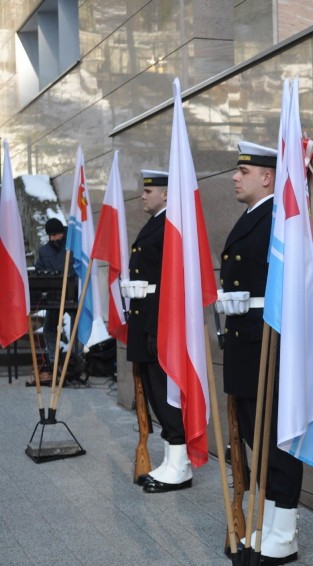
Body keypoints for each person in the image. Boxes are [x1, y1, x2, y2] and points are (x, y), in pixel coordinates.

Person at [217, 141, 301, 565]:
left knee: (276, 438)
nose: (235, 176)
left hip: (269, 342)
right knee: (255, 436)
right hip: (244, 342)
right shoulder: (251, 217)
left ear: (267, 177)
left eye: (243, 171)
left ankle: (284, 531)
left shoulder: (279, 217)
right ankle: (267, 522)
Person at [125, 170, 192, 494]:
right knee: (153, 393)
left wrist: (154, 328)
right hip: (144, 320)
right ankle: (171, 458)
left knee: (166, 395)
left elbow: (169, 282)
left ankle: (180, 463)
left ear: (166, 194)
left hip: (156, 322)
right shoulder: (154, 225)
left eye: (149, 190)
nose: (143, 195)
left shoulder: (169, 227)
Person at [32, 218, 68, 383]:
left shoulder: (71, 244)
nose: (54, 238)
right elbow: (39, 269)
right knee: (48, 328)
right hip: (54, 297)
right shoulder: (44, 251)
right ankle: (54, 362)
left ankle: (72, 361)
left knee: (76, 326)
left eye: (56, 234)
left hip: (71, 294)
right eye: (51, 235)